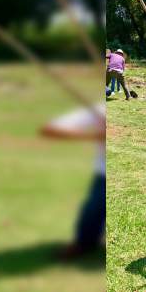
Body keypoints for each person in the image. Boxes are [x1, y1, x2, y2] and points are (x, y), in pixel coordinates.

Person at [40, 104, 107, 259]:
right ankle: (84, 244)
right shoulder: (98, 109)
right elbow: (49, 130)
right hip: (103, 174)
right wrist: (97, 136)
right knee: (92, 211)